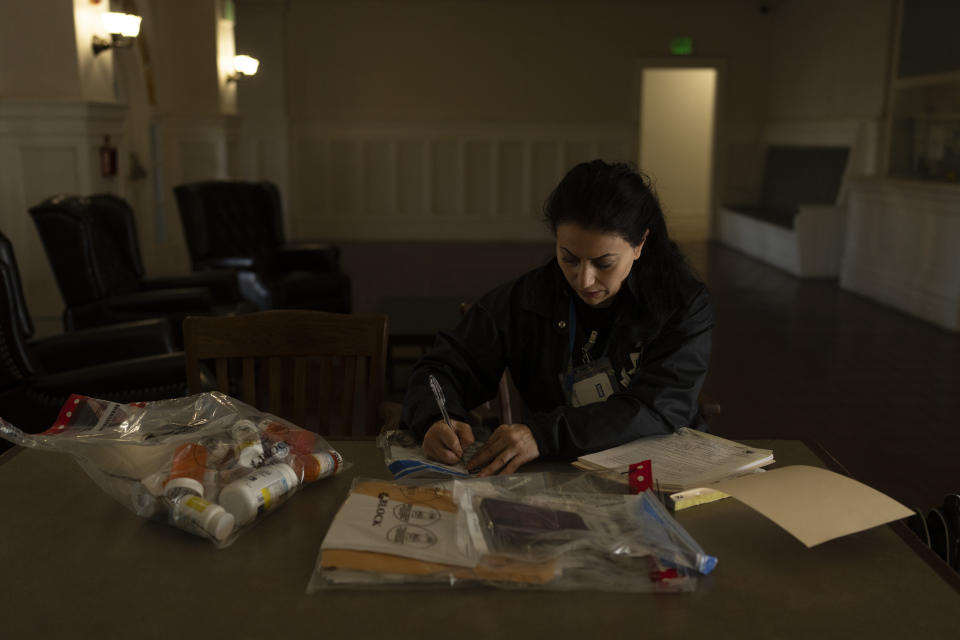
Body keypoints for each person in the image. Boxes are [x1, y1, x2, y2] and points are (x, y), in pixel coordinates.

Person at [400, 159, 713, 476]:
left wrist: (543, 434)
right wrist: (436, 419)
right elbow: (442, 367)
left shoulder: (682, 305)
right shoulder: (527, 299)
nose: (583, 280)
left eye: (604, 263)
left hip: (658, 472)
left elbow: (657, 409)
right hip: (560, 473)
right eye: (569, 258)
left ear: (640, 243)